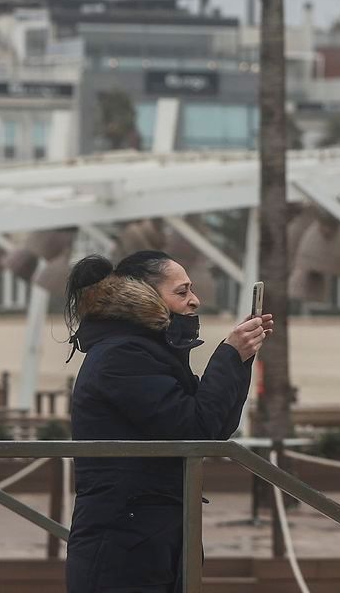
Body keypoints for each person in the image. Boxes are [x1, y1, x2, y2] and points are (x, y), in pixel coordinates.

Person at [62, 250, 272, 593]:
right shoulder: (123, 355)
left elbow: (215, 428)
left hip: (147, 538)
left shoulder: (146, 350)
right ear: (145, 295)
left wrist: (239, 358)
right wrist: (229, 355)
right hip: (125, 546)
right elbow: (193, 431)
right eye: (182, 291)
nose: (194, 300)